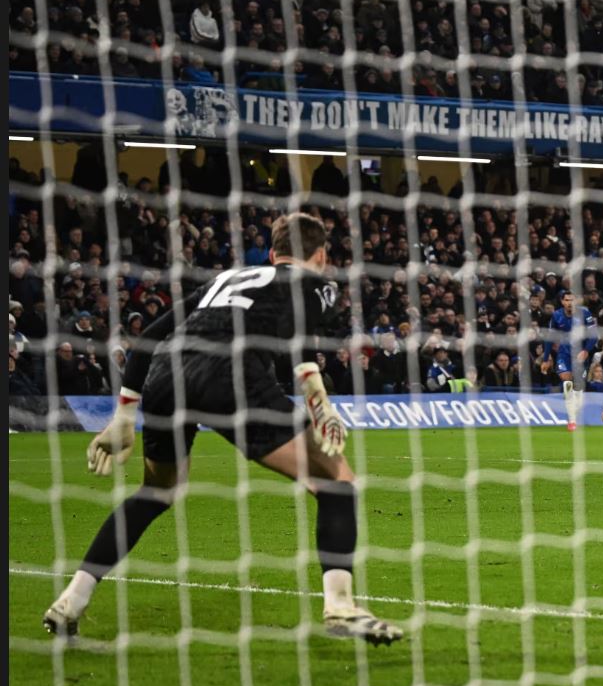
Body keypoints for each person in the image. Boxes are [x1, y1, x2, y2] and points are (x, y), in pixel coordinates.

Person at [46, 213, 401, 644]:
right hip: (231, 375)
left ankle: (71, 600)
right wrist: (318, 401)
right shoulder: (317, 284)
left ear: (272, 254)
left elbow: (149, 339)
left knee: (156, 492)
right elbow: (297, 336)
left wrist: (123, 415)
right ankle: (340, 605)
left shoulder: (225, 281)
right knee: (337, 481)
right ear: (322, 256)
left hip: (165, 378)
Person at [550, 289, 597, 431]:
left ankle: (574, 412)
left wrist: (586, 350)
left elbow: (593, 335)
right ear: (562, 301)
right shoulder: (557, 315)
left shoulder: (585, 314)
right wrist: (547, 357)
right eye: (567, 300)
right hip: (564, 354)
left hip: (580, 355)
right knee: (566, 380)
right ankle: (571, 420)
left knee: (578, 389)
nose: (570, 302)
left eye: (572, 299)